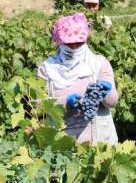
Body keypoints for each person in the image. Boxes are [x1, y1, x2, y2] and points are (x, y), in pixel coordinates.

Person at [37, 12, 119, 144]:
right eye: (69, 43)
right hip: (62, 146)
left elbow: (112, 102)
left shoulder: (99, 64)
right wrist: (65, 103)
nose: (74, 47)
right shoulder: (47, 69)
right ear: (59, 42)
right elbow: (38, 107)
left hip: (100, 144)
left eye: (79, 43)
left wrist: (106, 92)